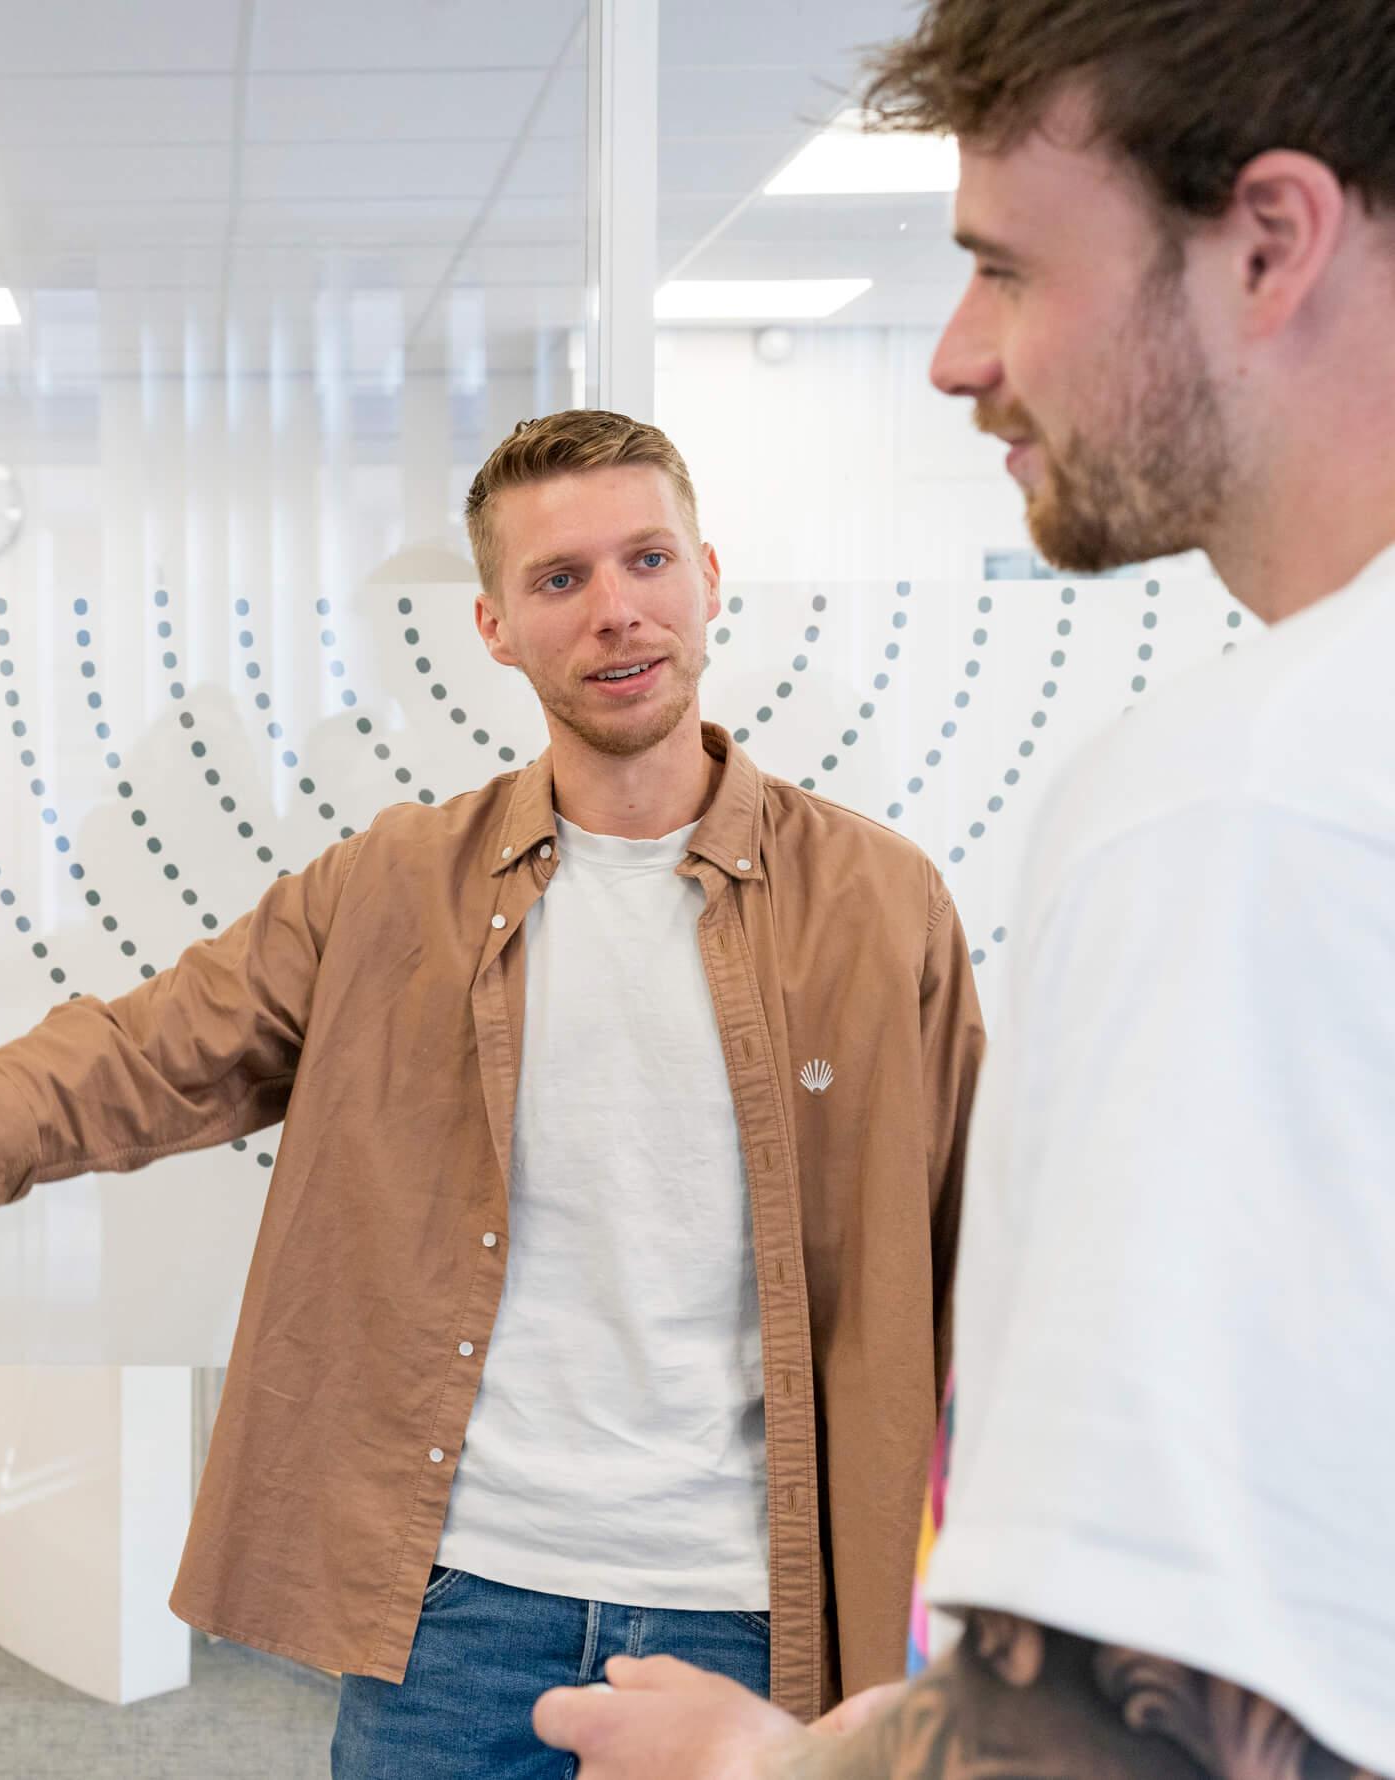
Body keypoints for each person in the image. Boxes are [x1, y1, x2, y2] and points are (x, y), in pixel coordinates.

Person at [0, 410, 986, 1776]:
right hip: (459, 1604)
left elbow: (977, 1246)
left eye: (645, 560)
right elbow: (151, 1047)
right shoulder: (393, 887)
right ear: (491, 625)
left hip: (749, 1612)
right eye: (559, 581)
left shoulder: (876, 903)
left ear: (707, 578)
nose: (614, 612)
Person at [532, 3, 1395, 1776]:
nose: (951, 356)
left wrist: (758, 1766)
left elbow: (1134, 1727)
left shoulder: (1236, 805)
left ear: (1268, 242)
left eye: (1006, 272)